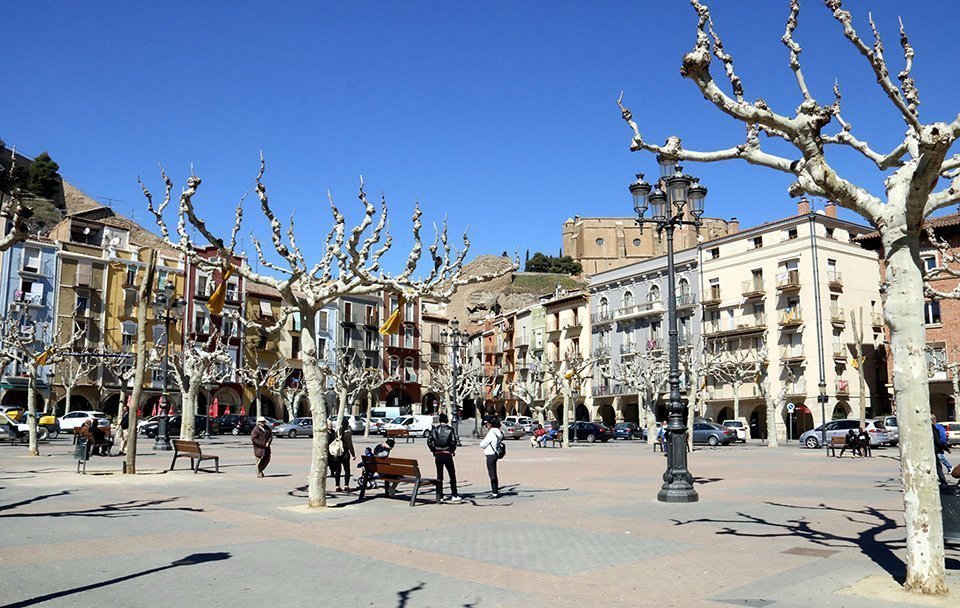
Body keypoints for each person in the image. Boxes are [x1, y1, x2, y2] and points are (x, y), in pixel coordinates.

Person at [428, 413, 461, 502]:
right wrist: (452, 450)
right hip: (447, 454)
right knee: (452, 475)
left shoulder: (435, 430)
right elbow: (454, 441)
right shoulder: (450, 429)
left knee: (439, 476)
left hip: (438, 454)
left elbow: (429, 441)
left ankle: (440, 495)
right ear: (446, 420)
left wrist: (433, 450)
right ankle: (454, 494)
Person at [327, 417, 356, 492]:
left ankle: (337, 486)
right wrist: (353, 454)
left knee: (338, 470)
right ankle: (346, 485)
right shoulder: (348, 433)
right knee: (347, 470)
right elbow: (349, 444)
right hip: (345, 454)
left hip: (338, 453)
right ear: (347, 425)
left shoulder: (337, 431)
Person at [479, 417, 504, 499]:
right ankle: (495, 491)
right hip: (495, 454)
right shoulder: (498, 432)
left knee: (492, 474)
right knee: (493, 472)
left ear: (490, 424)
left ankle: (494, 492)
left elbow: (482, 444)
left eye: (488, 424)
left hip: (490, 454)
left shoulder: (491, 432)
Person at [933, 417, 951, 486]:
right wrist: (946, 448)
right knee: (938, 465)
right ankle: (943, 481)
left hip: (935, 449)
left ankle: (949, 468)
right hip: (936, 449)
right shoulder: (936, 427)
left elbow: (939, 440)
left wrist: (946, 448)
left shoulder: (936, 428)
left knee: (938, 464)